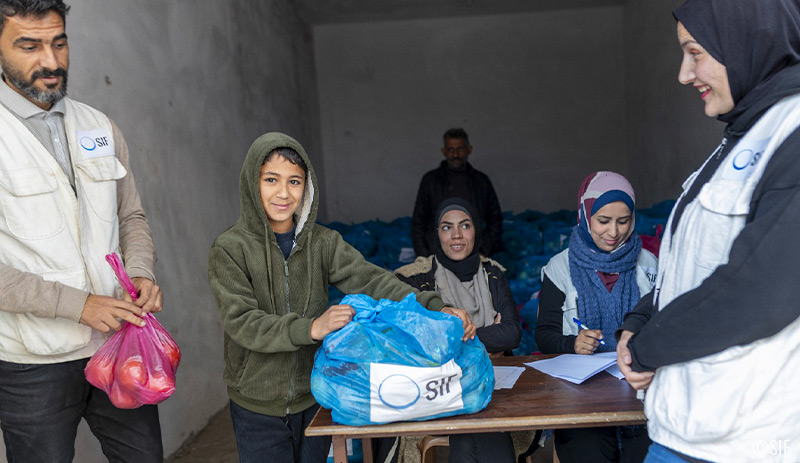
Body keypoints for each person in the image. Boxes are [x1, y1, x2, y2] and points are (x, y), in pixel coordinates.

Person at [207, 132, 476, 463]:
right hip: (256, 404)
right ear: (253, 182)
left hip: (315, 396)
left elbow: (372, 280)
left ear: (307, 187)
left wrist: (434, 306)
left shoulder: (323, 243)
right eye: (271, 180)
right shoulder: (230, 249)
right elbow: (242, 322)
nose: (283, 192)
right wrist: (310, 329)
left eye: (294, 181)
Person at [615, 1, 800, 462]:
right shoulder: (741, 138)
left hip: (745, 440)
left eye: (694, 53)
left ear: (743, 43)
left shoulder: (792, 136)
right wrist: (637, 322)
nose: (684, 74)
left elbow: (759, 291)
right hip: (689, 428)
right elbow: (693, 264)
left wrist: (647, 348)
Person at [0, 0, 164, 461]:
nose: (50, 62)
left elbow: (130, 216)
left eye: (59, 42)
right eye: (29, 46)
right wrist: (79, 305)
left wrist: (142, 274)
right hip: (32, 362)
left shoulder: (100, 127)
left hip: (119, 343)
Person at [536, 172, 656, 463]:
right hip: (580, 401)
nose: (613, 232)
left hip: (639, 393)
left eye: (623, 220)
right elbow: (544, 334)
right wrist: (572, 343)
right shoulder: (559, 268)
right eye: (603, 220)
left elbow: (665, 325)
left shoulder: (648, 265)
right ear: (584, 215)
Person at [393, 197, 521, 463]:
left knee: (473, 428)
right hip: (436, 385)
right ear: (436, 233)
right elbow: (413, 341)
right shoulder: (416, 277)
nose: (456, 236)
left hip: (491, 381)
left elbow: (511, 334)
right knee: (479, 425)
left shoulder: (492, 273)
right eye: (446, 227)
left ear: (477, 230)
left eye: (465, 225)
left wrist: (453, 339)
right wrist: (486, 340)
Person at [411, 128, 503, 258]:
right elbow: (418, 222)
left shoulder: (481, 181)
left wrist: (484, 250)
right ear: (444, 152)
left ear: (469, 149)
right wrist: (425, 255)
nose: (455, 155)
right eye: (450, 150)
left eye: (460, 149)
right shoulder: (430, 180)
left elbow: (495, 219)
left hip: (474, 253)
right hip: (437, 252)